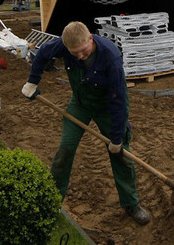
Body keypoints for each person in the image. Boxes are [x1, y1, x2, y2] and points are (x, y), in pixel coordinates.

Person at [21, 21, 151, 226]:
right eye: (74, 54)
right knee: (65, 149)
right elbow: (44, 52)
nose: (80, 56)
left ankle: (131, 203)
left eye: (83, 51)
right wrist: (32, 81)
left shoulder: (111, 56)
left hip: (107, 107)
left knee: (121, 154)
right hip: (80, 103)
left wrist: (117, 136)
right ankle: (52, 201)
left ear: (90, 38)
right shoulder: (65, 45)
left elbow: (119, 99)